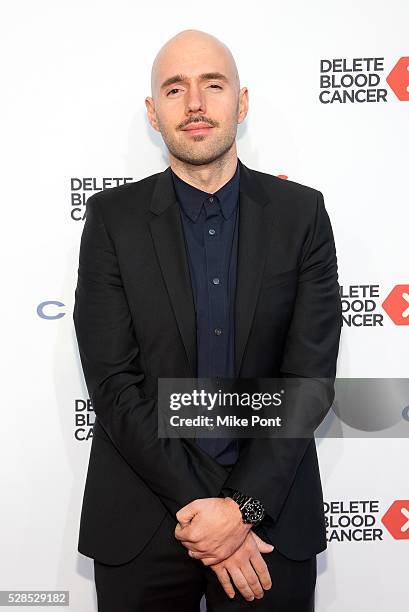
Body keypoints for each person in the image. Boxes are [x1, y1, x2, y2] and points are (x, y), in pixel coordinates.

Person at [73, 29, 342, 612]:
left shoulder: (302, 216)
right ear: (153, 112)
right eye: (175, 89)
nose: (194, 103)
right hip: (143, 520)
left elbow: (309, 379)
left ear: (241, 103)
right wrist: (211, 515)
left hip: (270, 522)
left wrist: (241, 507)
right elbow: (114, 385)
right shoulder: (112, 221)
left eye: (212, 85)